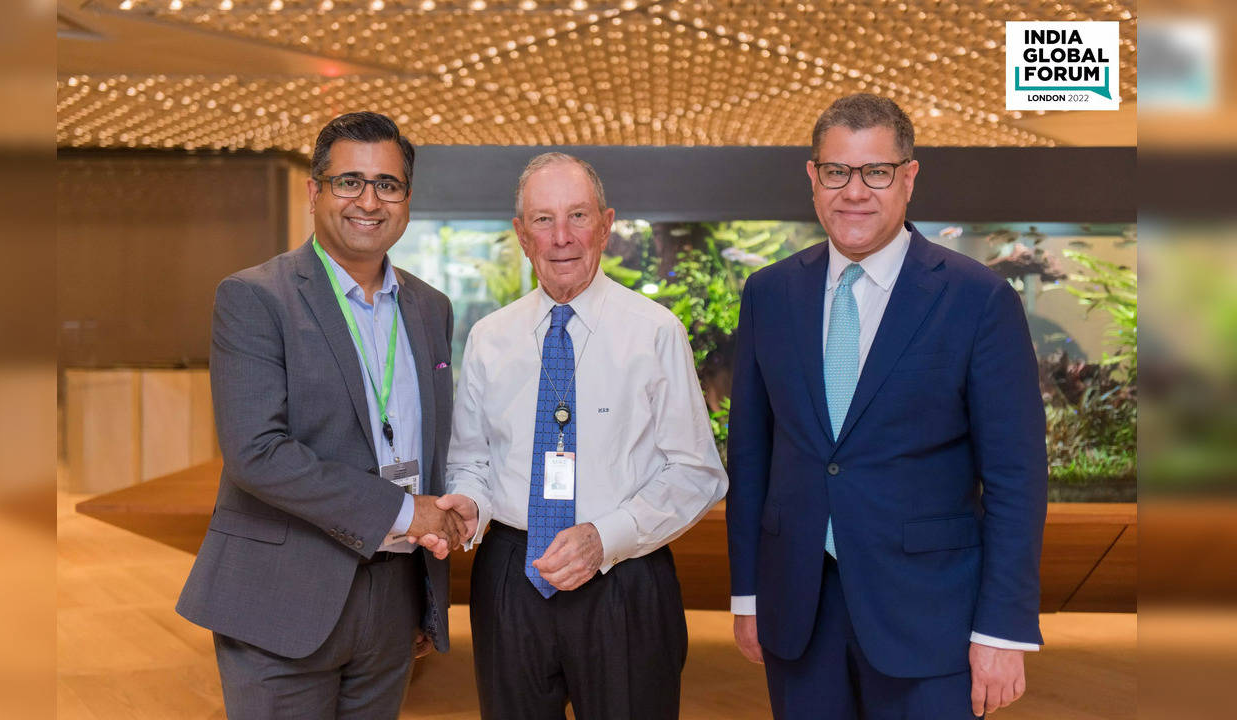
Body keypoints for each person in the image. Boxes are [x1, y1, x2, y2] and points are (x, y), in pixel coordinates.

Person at [726, 94, 1048, 719]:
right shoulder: (769, 294)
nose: (855, 192)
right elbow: (752, 455)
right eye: (838, 172)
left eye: (875, 172)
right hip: (798, 611)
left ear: (908, 177)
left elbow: (1016, 476)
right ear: (813, 178)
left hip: (931, 620)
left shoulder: (977, 300)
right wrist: (748, 595)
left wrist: (1002, 631)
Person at [176, 111, 464, 719]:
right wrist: (409, 512)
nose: (368, 200)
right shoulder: (255, 297)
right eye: (348, 182)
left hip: (393, 592)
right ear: (314, 192)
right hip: (283, 595)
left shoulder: (431, 308)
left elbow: (430, 445)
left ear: (406, 200)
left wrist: (425, 589)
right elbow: (258, 453)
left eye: (386, 184)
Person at [435, 152, 727, 719]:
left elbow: (698, 473)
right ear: (522, 235)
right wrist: (468, 501)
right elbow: (471, 459)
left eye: (577, 216)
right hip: (511, 575)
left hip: (625, 575)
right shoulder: (489, 338)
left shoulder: (655, 332)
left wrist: (605, 536)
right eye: (543, 220)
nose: (561, 237)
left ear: (606, 223)